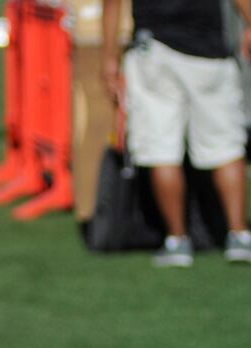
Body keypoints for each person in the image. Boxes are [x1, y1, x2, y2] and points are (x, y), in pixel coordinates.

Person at [101, 0, 251, 266]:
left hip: (155, 47)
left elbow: (112, 3)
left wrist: (109, 56)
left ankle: (177, 238)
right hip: (209, 51)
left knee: (162, 149)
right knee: (225, 146)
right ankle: (239, 233)